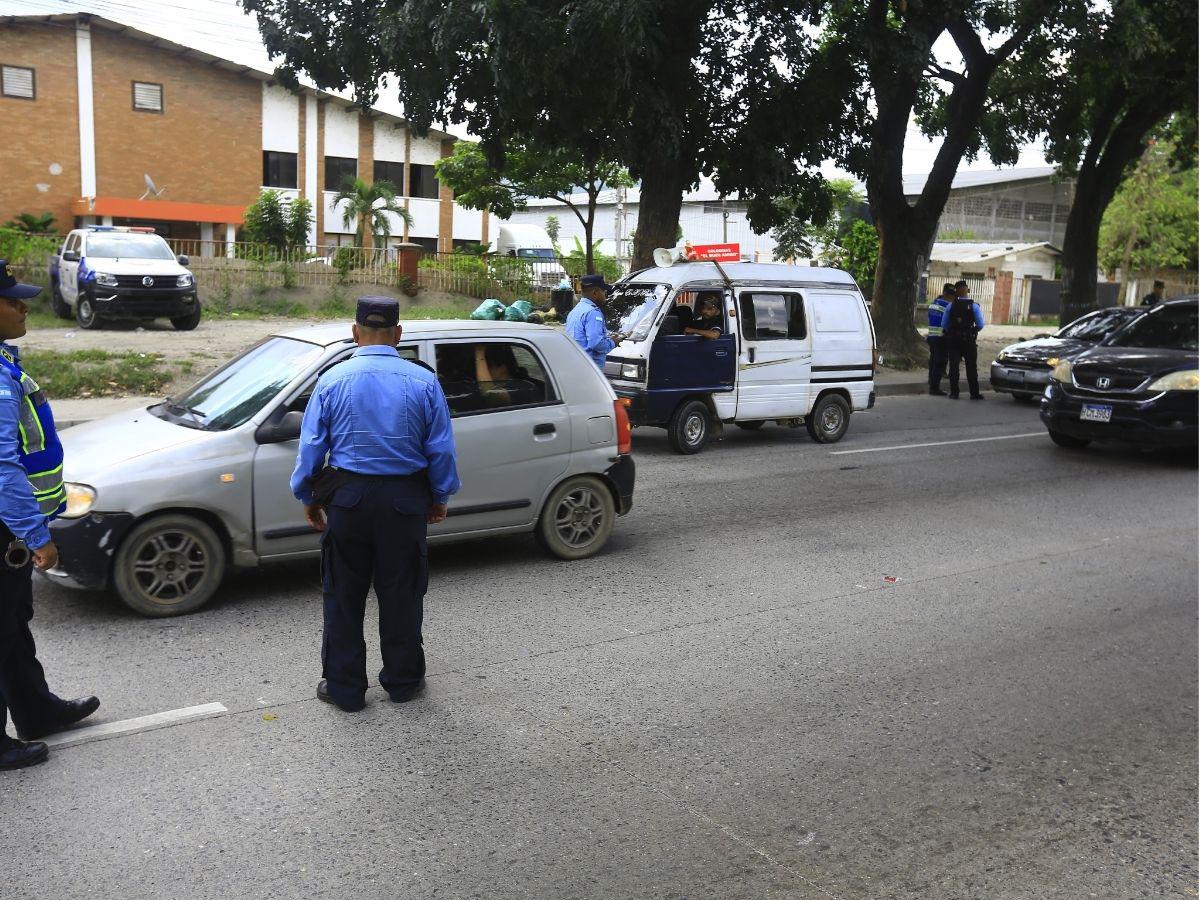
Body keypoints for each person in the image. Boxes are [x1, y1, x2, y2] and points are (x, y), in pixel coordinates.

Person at [290, 297, 460, 712]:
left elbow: (311, 447)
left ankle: (345, 690)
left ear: (355, 331)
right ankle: (403, 682)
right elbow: (440, 450)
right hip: (404, 502)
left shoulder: (333, 379)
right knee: (401, 594)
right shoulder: (422, 381)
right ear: (399, 334)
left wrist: (308, 496)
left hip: (348, 502)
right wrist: (438, 497)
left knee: (343, 595)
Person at [0, 261, 99, 770]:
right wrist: (37, 536)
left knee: (12, 624)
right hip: (7, 527)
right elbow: (2, 465)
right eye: (13, 299)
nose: (23, 306)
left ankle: (36, 711)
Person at [944, 279, 986, 400]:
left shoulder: (950, 306)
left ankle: (954, 393)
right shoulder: (974, 306)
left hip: (953, 340)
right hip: (968, 340)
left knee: (954, 367)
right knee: (971, 366)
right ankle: (974, 393)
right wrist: (972, 330)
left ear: (956, 292)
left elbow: (945, 325)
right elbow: (980, 325)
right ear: (967, 290)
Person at [565, 274, 617, 367]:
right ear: (595, 292)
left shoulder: (575, 311)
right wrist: (613, 342)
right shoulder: (593, 312)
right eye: (603, 291)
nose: (605, 295)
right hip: (590, 369)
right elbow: (596, 343)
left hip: (575, 365)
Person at [926, 283, 954, 396]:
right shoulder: (949, 306)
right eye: (951, 295)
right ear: (946, 293)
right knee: (939, 363)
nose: (953, 297)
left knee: (932, 360)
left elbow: (930, 317)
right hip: (941, 337)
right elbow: (949, 323)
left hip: (931, 336)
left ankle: (930, 380)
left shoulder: (933, 303)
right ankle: (934, 388)